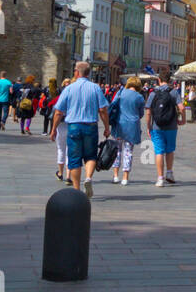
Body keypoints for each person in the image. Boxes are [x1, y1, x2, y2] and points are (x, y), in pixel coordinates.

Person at [49, 62, 110, 198]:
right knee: (90, 156)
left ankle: (77, 190)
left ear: (77, 72)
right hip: (90, 126)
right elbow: (103, 110)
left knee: (74, 158)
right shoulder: (95, 88)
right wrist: (107, 127)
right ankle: (88, 178)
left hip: (74, 126)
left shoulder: (69, 89)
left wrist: (53, 129)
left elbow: (58, 112)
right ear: (88, 73)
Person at [144, 74, 183, 187]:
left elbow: (148, 111)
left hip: (157, 126)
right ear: (170, 80)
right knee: (170, 150)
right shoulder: (174, 92)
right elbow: (182, 108)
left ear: (159, 80)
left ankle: (160, 178)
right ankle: (169, 173)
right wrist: (183, 120)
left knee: (159, 151)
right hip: (171, 126)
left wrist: (148, 126)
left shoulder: (153, 93)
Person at [111, 77, 147, 185]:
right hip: (132, 126)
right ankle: (125, 177)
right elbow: (141, 114)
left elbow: (113, 105)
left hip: (119, 124)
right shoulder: (140, 97)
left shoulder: (121, 92)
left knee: (117, 150)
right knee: (128, 151)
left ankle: (116, 175)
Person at [54, 77, 72, 183]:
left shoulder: (60, 97)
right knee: (70, 151)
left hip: (61, 125)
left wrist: (53, 129)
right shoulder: (75, 98)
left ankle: (60, 173)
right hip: (72, 125)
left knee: (61, 149)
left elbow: (57, 112)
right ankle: (69, 176)